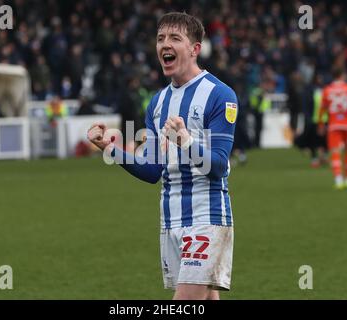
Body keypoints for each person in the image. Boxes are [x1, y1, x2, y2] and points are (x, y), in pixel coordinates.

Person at [88, 12, 238, 300]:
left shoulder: (220, 95)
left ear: (195, 49)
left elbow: (218, 166)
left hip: (206, 216)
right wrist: (109, 147)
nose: (164, 45)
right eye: (160, 39)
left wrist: (185, 141)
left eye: (174, 38)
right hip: (170, 218)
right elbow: (152, 170)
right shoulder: (157, 103)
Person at [317, 67, 347, 189]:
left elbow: (322, 109)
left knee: (335, 151)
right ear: (343, 75)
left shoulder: (327, 90)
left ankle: (338, 180)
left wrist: (321, 124)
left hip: (333, 125)